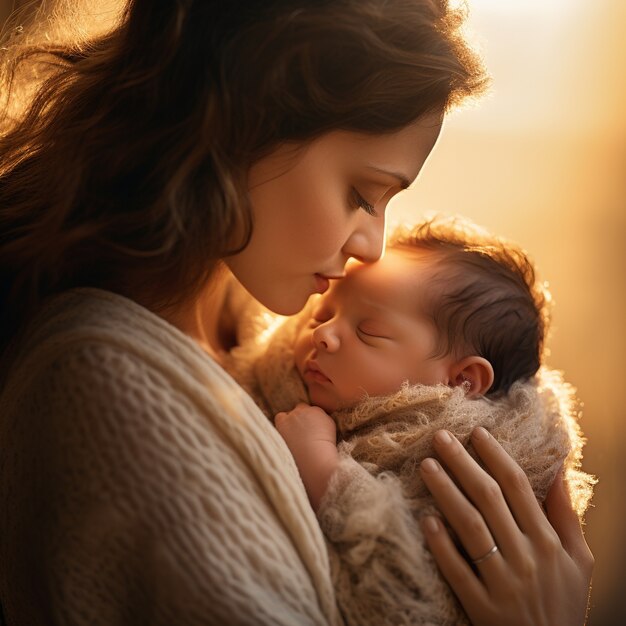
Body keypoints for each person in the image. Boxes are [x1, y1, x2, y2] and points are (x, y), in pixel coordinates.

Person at [0, 1, 593, 625]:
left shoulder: (238, 317)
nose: (372, 245)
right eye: (361, 194)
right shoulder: (111, 390)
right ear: (244, 122)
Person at [225, 217, 595, 624]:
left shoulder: (463, 456)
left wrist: (322, 468)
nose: (323, 335)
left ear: (461, 381)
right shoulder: (291, 366)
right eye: (322, 314)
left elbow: (413, 589)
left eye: (368, 332)